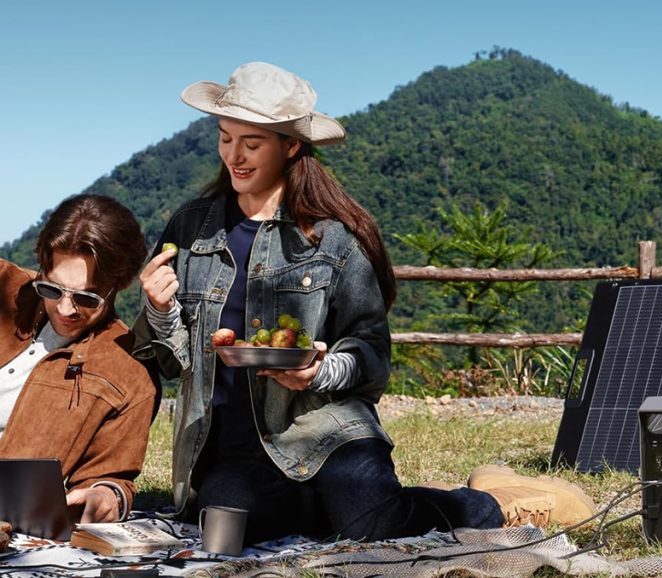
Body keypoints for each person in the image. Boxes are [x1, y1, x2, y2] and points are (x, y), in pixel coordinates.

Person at [133, 61, 595, 543]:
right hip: (231, 449)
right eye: (226, 138)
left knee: (370, 522)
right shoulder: (191, 228)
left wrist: (318, 373)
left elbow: (371, 355)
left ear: (291, 146)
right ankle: (373, 503)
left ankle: (499, 502)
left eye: (252, 143)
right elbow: (168, 364)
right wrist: (160, 311)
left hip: (326, 429)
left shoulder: (334, 238)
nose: (234, 155)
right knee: (230, 527)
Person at [0, 194, 155, 523]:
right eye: (51, 289)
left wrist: (104, 497)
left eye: (86, 297)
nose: (65, 308)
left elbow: (112, 480)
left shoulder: (128, 372)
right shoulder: (4, 286)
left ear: (118, 285)